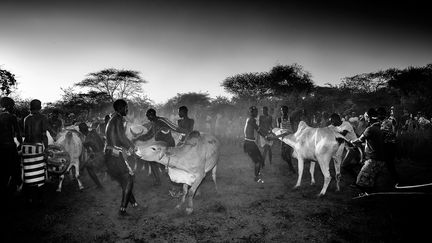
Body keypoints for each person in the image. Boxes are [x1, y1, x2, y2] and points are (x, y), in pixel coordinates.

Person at [136, 108, 187, 187]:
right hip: (159, 146)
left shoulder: (162, 120)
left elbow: (174, 127)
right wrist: (138, 138)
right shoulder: (154, 123)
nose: (147, 118)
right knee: (152, 161)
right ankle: (158, 180)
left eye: (148, 116)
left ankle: (178, 181)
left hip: (167, 146)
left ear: (151, 115)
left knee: (168, 164)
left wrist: (185, 132)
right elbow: (149, 135)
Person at [104, 99, 139, 215]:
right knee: (129, 179)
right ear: (121, 108)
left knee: (125, 180)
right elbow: (121, 137)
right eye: (126, 107)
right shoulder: (118, 118)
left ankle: (134, 203)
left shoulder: (112, 119)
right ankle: (122, 210)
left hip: (109, 153)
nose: (127, 110)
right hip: (115, 154)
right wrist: (132, 148)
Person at [351, 108, 385, 195]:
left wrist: (351, 142)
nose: (365, 118)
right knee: (371, 182)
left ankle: (365, 197)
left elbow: (359, 140)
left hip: (373, 160)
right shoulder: (381, 127)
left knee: (359, 182)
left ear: (369, 118)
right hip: (381, 159)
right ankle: (371, 197)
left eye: (366, 116)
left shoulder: (370, 129)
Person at [22, 99, 49, 206]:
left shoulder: (26, 119)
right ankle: (39, 199)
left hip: (26, 148)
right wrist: (46, 149)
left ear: (30, 107)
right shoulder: (42, 117)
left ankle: (30, 198)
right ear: (40, 107)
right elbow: (43, 135)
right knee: (39, 175)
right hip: (37, 147)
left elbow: (25, 134)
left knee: (28, 174)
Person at [0, 97, 22, 205]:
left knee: (3, 171)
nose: (13, 107)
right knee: (15, 169)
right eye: (12, 105)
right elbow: (18, 134)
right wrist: (20, 145)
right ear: (9, 106)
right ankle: (14, 190)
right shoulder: (12, 117)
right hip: (9, 146)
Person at [329, 113, 359, 185]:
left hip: (355, 147)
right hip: (349, 148)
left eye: (332, 121)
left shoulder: (346, 124)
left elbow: (342, 137)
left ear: (337, 119)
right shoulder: (335, 126)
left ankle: (357, 180)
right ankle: (358, 178)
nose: (331, 123)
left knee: (344, 166)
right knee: (355, 165)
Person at [244, 106, 271, 183]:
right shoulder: (251, 120)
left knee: (261, 159)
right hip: (249, 144)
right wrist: (266, 136)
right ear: (251, 112)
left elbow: (259, 128)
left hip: (251, 143)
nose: (257, 113)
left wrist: (267, 132)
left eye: (257, 111)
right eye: (255, 112)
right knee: (258, 161)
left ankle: (258, 173)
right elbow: (258, 130)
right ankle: (256, 177)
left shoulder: (250, 119)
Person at [377, 107, 399, 184]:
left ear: (382, 114)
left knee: (389, 163)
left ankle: (395, 179)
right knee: (388, 163)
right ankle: (392, 178)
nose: (378, 116)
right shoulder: (384, 121)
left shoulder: (388, 121)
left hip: (389, 145)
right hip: (388, 144)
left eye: (379, 114)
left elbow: (387, 133)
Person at [276, 105, 296, 174]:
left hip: (289, 138)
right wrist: (278, 138)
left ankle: (291, 169)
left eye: (284, 110)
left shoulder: (291, 118)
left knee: (287, 153)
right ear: (281, 111)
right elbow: (278, 129)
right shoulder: (279, 119)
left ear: (287, 111)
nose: (283, 111)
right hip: (283, 138)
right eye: (282, 110)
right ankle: (291, 167)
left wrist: (295, 137)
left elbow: (293, 128)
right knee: (283, 155)